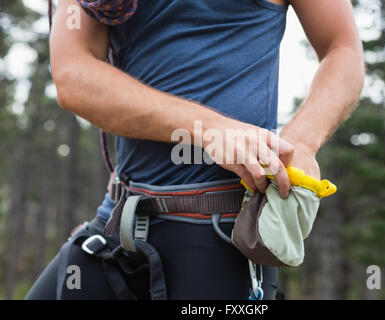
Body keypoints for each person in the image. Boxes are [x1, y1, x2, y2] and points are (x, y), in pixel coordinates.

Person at [26, 0, 365, 299]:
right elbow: (73, 75)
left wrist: (303, 141)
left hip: (224, 234)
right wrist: (210, 129)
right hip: (118, 220)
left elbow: (343, 48)